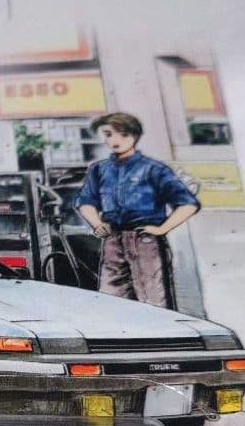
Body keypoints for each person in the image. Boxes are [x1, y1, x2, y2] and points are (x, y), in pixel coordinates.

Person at [75, 112, 201, 308]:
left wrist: (162, 229)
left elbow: (188, 204)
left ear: (135, 136)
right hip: (112, 239)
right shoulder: (99, 169)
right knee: (110, 299)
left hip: (144, 239)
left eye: (123, 134)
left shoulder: (154, 169)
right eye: (108, 134)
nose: (115, 140)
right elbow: (85, 201)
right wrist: (97, 223)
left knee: (152, 299)